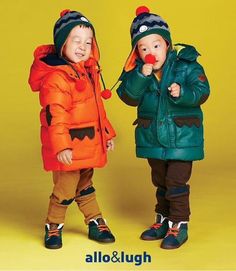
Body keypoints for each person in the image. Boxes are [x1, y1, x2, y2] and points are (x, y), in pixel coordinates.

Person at [116, 6, 210, 249]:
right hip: (153, 139)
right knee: (160, 180)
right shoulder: (137, 71)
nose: (151, 52)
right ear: (137, 51)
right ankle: (163, 219)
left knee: (176, 181)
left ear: (167, 44)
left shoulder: (186, 65)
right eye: (143, 48)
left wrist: (183, 93)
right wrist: (141, 75)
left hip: (182, 137)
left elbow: (202, 91)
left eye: (156, 45)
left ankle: (179, 224)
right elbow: (128, 96)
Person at [29, 9, 116, 249]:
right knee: (66, 188)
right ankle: (53, 224)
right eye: (76, 41)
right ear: (62, 44)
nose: (83, 47)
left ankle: (95, 220)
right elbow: (55, 115)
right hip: (68, 145)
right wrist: (61, 145)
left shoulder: (88, 71)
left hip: (88, 142)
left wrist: (106, 134)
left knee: (85, 183)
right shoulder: (57, 77)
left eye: (88, 42)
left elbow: (97, 107)